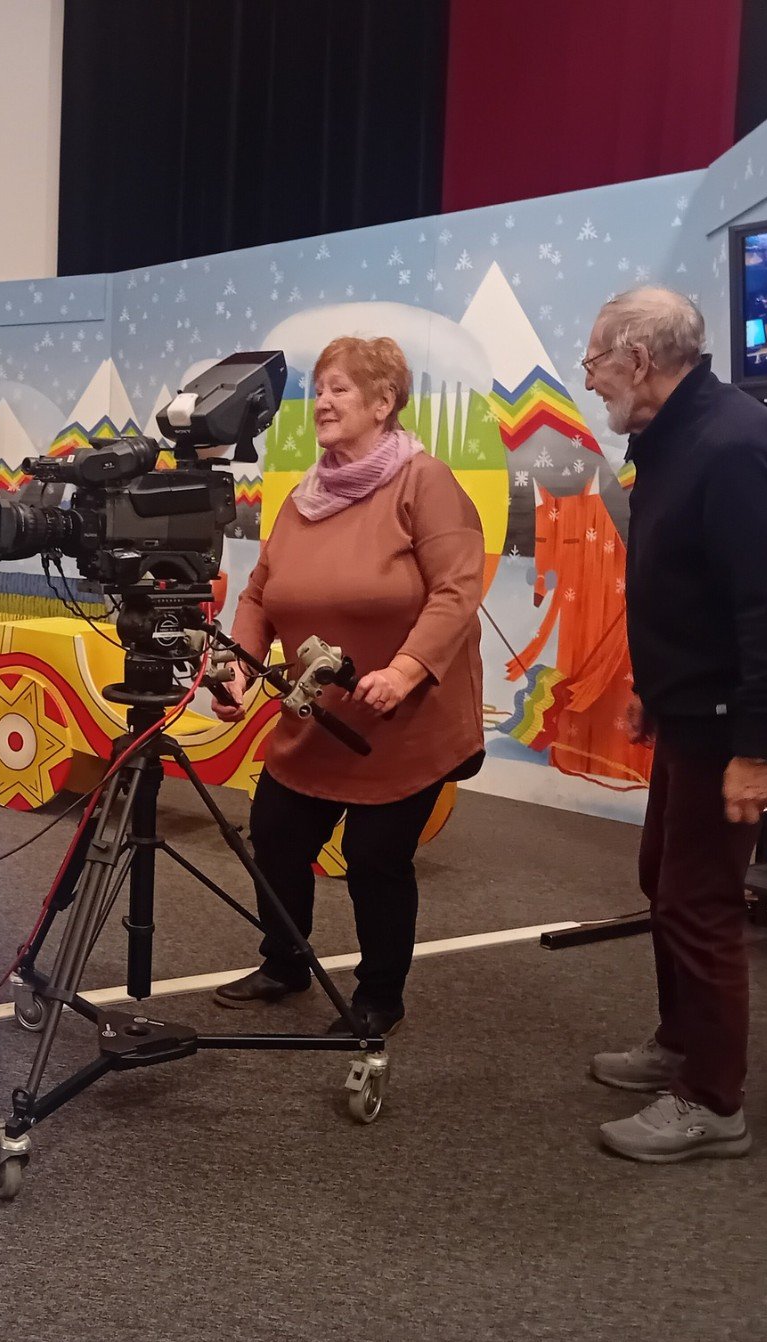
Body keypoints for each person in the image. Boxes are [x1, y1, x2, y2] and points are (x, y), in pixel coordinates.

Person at [579, 288, 767, 1163]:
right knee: (664, 881)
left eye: (596, 361)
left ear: (638, 359)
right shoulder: (675, 436)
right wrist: (657, 685)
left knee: (700, 902)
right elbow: (689, 588)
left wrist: (760, 749)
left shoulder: (731, 446)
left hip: (730, 727)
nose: (591, 380)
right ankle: (680, 1043)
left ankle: (714, 1101)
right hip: (690, 708)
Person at [211, 335, 485, 1036]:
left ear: (384, 402)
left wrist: (405, 669)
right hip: (316, 717)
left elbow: (457, 591)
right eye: (319, 390)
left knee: (373, 858)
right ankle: (285, 962)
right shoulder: (304, 496)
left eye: (339, 389)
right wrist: (239, 666)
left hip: (403, 721)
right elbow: (260, 595)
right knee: (275, 834)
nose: (322, 403)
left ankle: (380, 996)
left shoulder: (425, 482)